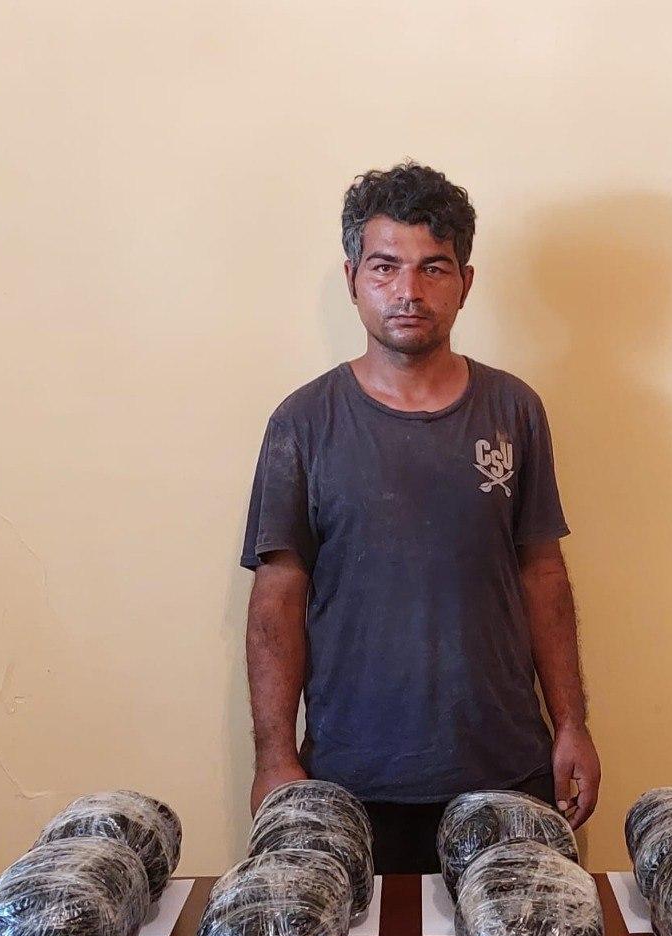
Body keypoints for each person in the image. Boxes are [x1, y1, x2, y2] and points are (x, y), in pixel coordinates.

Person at [240, 161, 600, 873]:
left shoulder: (514, 410)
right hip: (353, 780)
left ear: (465, 282)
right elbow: (276, 598)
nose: (408, 291)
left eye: (433, 268)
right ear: (353, 279)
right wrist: (275, 757)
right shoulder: (303, 423)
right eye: (385, 267)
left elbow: (543, 575)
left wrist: (572, 724)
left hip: (507, 770)